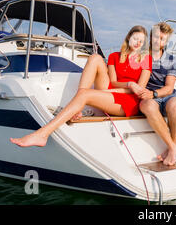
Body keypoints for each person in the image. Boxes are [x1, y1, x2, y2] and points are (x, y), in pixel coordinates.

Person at [10, 25, 152, 147]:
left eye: (141, 41)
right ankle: (78, 105)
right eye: (135, 38)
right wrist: (128, 83)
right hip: (113, 90)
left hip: (129, 101)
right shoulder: (115, 56)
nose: (138, 43)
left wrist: (125, 88)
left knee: (84, 94)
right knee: (95, 57)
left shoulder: (146, 59)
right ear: (128, 38)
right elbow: (113, 81)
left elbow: (138, 90)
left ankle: (43, 134)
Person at [136, 22, 176, 166]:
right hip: (149, 97)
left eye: (162, 38)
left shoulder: (171, 60)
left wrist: (154, 94)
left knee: (175, 106)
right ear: (151, 37)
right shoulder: (140, 56)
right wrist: (149, 95)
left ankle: (172, 147)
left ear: (166, 41)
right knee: (148, 107)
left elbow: (169, 88)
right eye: (156, 37)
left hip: (166, 95)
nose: (158, 41)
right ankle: (173, 148)